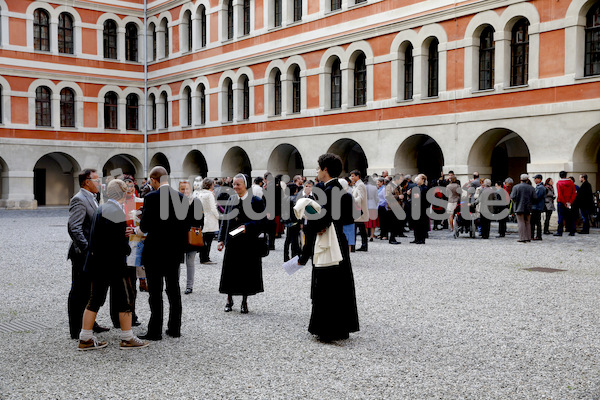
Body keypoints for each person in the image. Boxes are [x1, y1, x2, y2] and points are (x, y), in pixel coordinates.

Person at [77, 179, 149, 350]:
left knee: (94, 300)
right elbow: (119, 245)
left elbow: (103, 235)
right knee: (126, 299)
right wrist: (128, 248)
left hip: (97, 263)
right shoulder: (117, 211)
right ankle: (127, 337)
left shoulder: (101, 208)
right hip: (114, 264)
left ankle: (85, 337)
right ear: (124, 193)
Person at [298, 153, 359, 342]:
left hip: (328, 239)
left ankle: (329, 329)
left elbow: (322, 218)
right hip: (339, 238)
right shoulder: (339, 189)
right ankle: (343, 325)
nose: (317, 171)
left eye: (318, 168)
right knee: (340, 283)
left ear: (325, 169)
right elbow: (351, 215)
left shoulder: (328, 190)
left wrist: (308, 220)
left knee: (328, 283)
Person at [138, 166, 190, 340]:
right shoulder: (182, 197)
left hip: (155, 250)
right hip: (174, 251)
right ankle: (174, 328)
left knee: (155, 292)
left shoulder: (151, 197)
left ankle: (155, 331)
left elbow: (144, 226)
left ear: (154, 180)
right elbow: (185, 226)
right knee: (173, 290)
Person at [67, 168, 110, 339]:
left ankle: (89, 323)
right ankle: (76, 329)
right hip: (81, 254)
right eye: (96, 180)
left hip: (91, 252)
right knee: (79, 291)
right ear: (87, 182)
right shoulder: (79, 199)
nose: (100, 183)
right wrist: (87, 249)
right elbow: (74, 228)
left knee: (90, 290)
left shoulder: (92, 197)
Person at [217, 174, 266, 313]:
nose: (235, 187)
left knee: (246, 272)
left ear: (245, 185)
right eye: (234, 184)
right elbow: (225, 221)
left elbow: (262, 222)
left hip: (249, 243)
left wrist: (248, 227)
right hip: (233, 241)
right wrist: (221, 239)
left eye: (238, 184)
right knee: (230, 272)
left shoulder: (256, 201)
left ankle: (244, 302)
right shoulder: (231, 199)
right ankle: (229, 300)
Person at [180, 180, 203, 295]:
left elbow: (200, 219)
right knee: (177, 261)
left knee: (190, 261)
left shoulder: (196, 202)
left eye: (186, 189)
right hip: (179, 235)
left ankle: (189, 286)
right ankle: (175, 283)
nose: (185, 191)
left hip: (192, 234)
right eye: (182, 189)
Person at [196, 178, 220, 264]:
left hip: (203, 217)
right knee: (209, 240)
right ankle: (205, 258)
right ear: (210, 185)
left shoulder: (199, 193)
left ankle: (202, 257)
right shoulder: (209, 194)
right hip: (210, 218)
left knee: (204, 238)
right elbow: (213, 208)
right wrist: (218, 216)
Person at [510, 174, 537, 243]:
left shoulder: (516, 187)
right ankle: (528, 237)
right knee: (528, 222)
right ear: (527, 180)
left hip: (519, 207)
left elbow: (512, 197)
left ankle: (522, 238)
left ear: (520, 179)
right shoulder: (531, 188)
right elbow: (535, 198)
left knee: (521, 222)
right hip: (528, 207)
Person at [350, 170, 369, 252]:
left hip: (358, 210)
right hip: (357, 209)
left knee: (357, 228)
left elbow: (360, 197)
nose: (351, 177)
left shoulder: (360, 185)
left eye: (353, 176)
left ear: (357, 176)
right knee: (360, 228)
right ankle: (362, 245)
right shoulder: (357, 185)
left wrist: (352, 200)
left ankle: (357, 246)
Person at [554, 171, 577, 236]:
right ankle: (572, 231)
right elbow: (574, 193)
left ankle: (560, 231)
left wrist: (564, 202)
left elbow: (560, 194)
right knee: (571, 217)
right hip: (569, 202)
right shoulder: (571, 182)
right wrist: (569, 202)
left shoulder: (559, 183)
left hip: (561, 202)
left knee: (561, 217)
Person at [410, 174, 429, 244]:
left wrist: (419, 197)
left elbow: (427, 199)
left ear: (423, 180)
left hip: (422, 209)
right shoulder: (416, 187)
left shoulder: (425, 188)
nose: (417, 180)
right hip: (415, 208)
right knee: (416, 224)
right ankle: (416, 238)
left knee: (421, 224)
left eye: (418, 179)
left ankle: (421, 239)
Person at [530, 174, 546, 241]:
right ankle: (536, 235)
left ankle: (536, 236)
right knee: (536, 222)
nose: (534, 180)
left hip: (536, 207)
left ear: (539, 179)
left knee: (534, 222)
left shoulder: (540, 187)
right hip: (537, 207)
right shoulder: (539, 187)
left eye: (535, 178)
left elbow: (536, 197)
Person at [365, 176, 379, 241]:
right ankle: (371, 236)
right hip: (373, 205)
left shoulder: (364, 187)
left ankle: (366, 236)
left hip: (366, 206)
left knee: (366, 222)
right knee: (373, 223)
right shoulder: (374, 187)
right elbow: (376, 198)